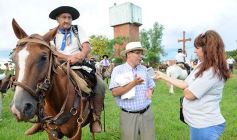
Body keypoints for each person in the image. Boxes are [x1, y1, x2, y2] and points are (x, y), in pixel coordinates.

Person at [25, 6, 104, 135]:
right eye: (63, 17)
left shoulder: (78, 29)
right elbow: (51, 51)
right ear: (57, 19)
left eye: (69, 17)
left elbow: (86, 46)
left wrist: (81, 56)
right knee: (40, 84)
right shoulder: (51, 33)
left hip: (78, 64)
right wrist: (68, 58)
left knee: (100, 83)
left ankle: (95, 117)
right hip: (58, 65)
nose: (67, 20)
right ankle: (40, 120)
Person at [155, 30, 230, 140]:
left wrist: (188, 88)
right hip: (198, 123)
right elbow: (184, 83)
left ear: (207, 48)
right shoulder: (201, 66)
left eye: (197, 48)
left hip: (205, 125)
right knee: (187, 67)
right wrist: (162, 75)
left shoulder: (213, 71)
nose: (194, 51)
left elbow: (189, 94)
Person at [109, 42, 156, 140]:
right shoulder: (118, 70)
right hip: (128, 115)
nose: (141, 56)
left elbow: (151, 86)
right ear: (129, 54)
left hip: (146, 113)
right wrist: (133, 83)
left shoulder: (143, 69)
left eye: (141, 53)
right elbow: (114, 92)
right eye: (138, 53)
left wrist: (150, 91)